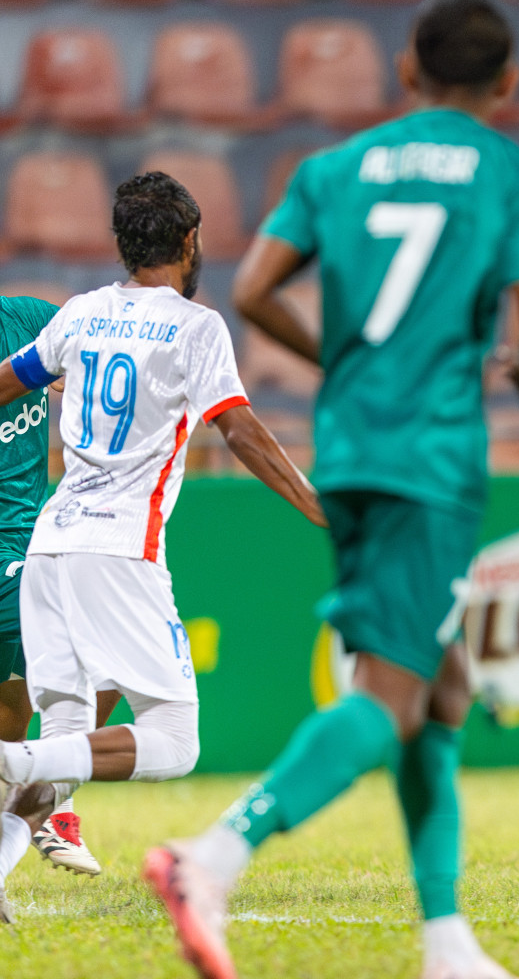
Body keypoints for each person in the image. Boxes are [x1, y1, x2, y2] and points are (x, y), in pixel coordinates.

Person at [145, 0, 519, 979]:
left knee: (442, 684)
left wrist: (352, 356)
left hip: (354, 452)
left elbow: (250, 293)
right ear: (507, 81)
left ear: (407, 72)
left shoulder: (332, 168)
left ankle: (446, 940)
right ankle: (215, 855)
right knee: (393, 691)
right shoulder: (511, 171)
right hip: (433, 461)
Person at [0, 171, 325, 925]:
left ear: (122, 245)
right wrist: (317, 506)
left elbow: (10, 382)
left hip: (49, 551)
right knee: (173, 741)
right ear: (189, 240)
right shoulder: (194, 326)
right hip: (118, 552)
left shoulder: (80, 315)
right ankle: (7, 759)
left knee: (69, 749)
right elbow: (237, 427)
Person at [0, 290, 122, 890]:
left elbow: (102, 365)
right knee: (99, 637)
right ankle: (54, 807)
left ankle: (33, 805)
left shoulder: (27, 320)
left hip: (38, 533)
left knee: (13, 715)